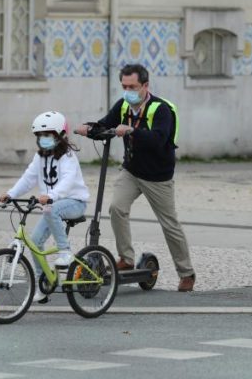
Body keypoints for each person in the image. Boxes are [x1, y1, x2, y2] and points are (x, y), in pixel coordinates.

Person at [75, 63, 196, 292]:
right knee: (116, 208)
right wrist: (89, 128)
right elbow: (105, 124)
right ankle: (126, 259)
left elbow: (158, 140)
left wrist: (132, 131)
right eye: (124, 86)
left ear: (145, 86)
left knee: (169, 224)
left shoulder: (160, 110)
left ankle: (186, 273)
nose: (128, 90)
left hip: (158, 176)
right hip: (131, 171)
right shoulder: (123, 106)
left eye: (132, 86)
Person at [0, 111, 90, 303]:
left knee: (51, 209)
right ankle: (46, 281)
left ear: (59, 136)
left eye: (48, 135)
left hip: (74, 202)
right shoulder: (39, 157)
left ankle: (65, 252)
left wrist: (51, 196)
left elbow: (67, 181)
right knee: (34, 241)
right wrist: (11, 194)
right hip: (51, 205)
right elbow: (28, 178)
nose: (43, 139)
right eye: (40, 135)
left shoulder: (68, 156)